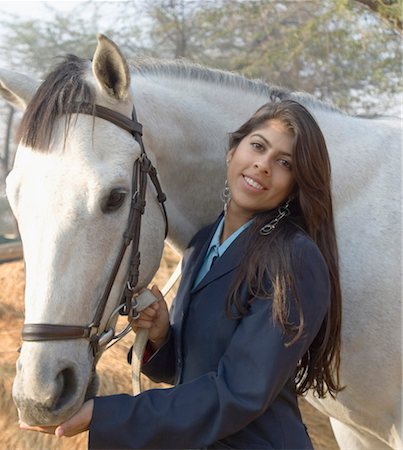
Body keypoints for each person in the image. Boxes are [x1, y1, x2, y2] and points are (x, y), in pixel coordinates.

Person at [20, 99, 343, 449]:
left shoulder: (294, 258)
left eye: (284, 163)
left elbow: (240, 392)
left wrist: (109, 415)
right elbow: (193, 372)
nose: (263, 165)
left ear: (295, 185)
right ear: (232, 151)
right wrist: (161, 337)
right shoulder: (202, 243)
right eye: (258, 147)